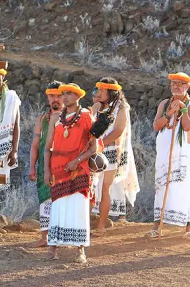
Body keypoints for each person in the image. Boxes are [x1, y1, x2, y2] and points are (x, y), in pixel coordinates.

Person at [44, 83, 98, 264]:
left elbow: (93, 148)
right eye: (63, 94)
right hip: (58, 169)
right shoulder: (55, 118)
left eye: (69, 94)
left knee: (78, 207)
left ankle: (80, 250)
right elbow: (47, 148)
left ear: (78, 96)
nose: (64, 97)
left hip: (79, 169)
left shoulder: (85, 116)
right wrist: (46, 170)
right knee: (58, 207)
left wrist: (77, 161)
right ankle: (53, 249)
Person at [150, 72, 190, 238]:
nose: (176, 86)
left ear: (187, 87)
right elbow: (157, 126)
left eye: (180, 84)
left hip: (183, 151)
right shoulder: (164, 103)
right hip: (164, 149)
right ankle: (157, 226)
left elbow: (187, 127)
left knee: (184, 186)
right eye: (173, 84)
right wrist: (169, 113)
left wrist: (183, 109)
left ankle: (189, 229)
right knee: (162, 187)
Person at [91, 78, 139, 232]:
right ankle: (87, 222)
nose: (98, 93)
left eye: (102, 91)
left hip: (110, 151)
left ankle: (101, 227)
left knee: (105, 188)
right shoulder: (97, 106)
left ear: (111, 92)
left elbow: (118, 130)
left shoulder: (122, 107)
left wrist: (101, 144)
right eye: (98, 90)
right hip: (92, 150)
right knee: (91, 186)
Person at [29, 81, 63, 247]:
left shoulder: (71, 116)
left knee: (62, 199)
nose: (55, 99)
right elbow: (35, 145)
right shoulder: (42, 119)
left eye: (59, 95)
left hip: (64, 164)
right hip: (45, 166)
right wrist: (31, 167)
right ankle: (45, 237)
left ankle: (63, 236)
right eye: (52, 96)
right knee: (45, 199)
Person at [0, 68, 21, 185]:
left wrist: (14, 150)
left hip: (3, 148)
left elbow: (16, 125)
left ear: (3, 77)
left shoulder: (11, 97)